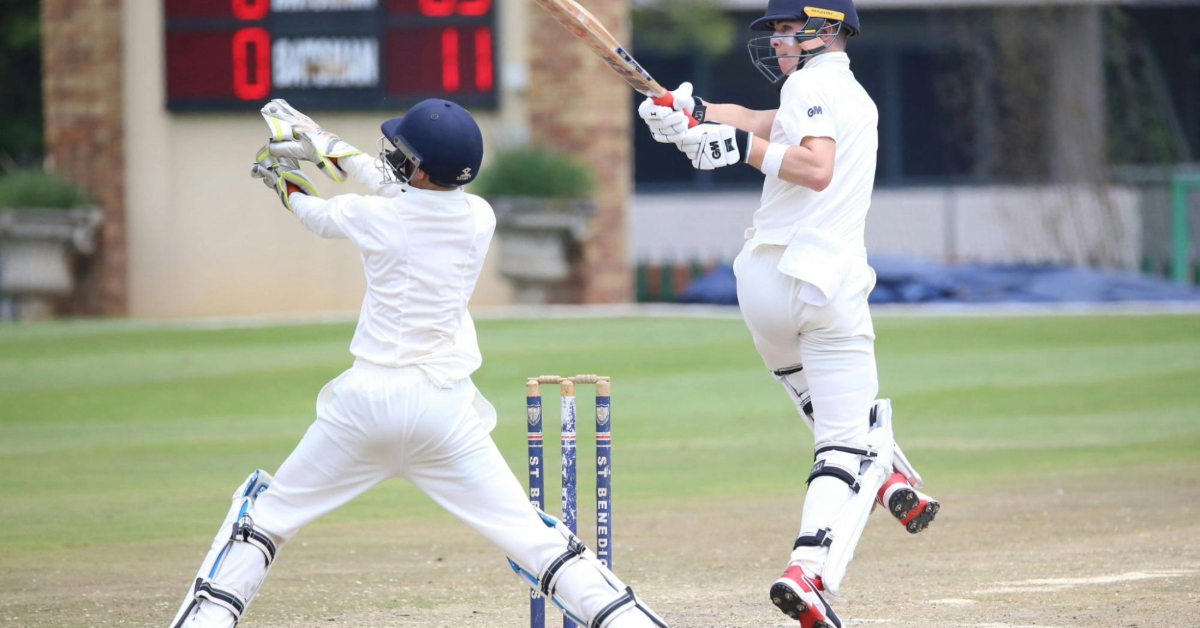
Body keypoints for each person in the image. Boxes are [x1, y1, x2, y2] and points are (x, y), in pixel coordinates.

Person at [167, 98, 670, 628]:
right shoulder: (480, 216)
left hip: (365, 406)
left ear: (420, 168)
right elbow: (394, 183)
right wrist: (321, 142)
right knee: (533, 537)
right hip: (444, 412)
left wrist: (282, 174)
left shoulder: (373, 215)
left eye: (402, 153)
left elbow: (315, 214)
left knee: (265, 520)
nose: (393, 160)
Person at [636, 1, 939, 626]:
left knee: (837, 419)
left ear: (827, 29)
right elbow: (779, 141)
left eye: (785, 28)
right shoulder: (840, 92)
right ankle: (811, 571)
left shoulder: (813, 87)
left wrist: (737, 142)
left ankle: (889, 481)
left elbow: (793, 154)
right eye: (773, 29)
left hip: (762, 288)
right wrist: (684, 110)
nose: (776, 40)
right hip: (822, 286)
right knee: (844, 443)